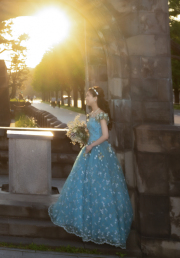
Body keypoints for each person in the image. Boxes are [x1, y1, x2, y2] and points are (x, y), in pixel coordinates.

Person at [48, 86, 133, 249]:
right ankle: (86, 225)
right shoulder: (91, 114)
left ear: (95, 98)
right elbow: (91, 131)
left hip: (99, 153)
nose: (86, 98)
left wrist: (91, 145)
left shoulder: (101, 114)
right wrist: (79, 134)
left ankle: (104, 229)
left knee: (101, 188)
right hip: (89, 150)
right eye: (86, 95)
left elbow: (106, 135)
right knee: (85, 187)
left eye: (88, 96)